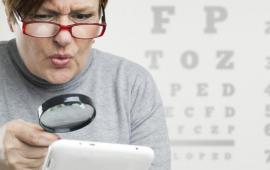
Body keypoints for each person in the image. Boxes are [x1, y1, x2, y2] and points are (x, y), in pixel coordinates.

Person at [0, 0, 171, 170]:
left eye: (82, 16)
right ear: (11, 19)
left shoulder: (132, 84)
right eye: (43, 16)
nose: (63, 38)